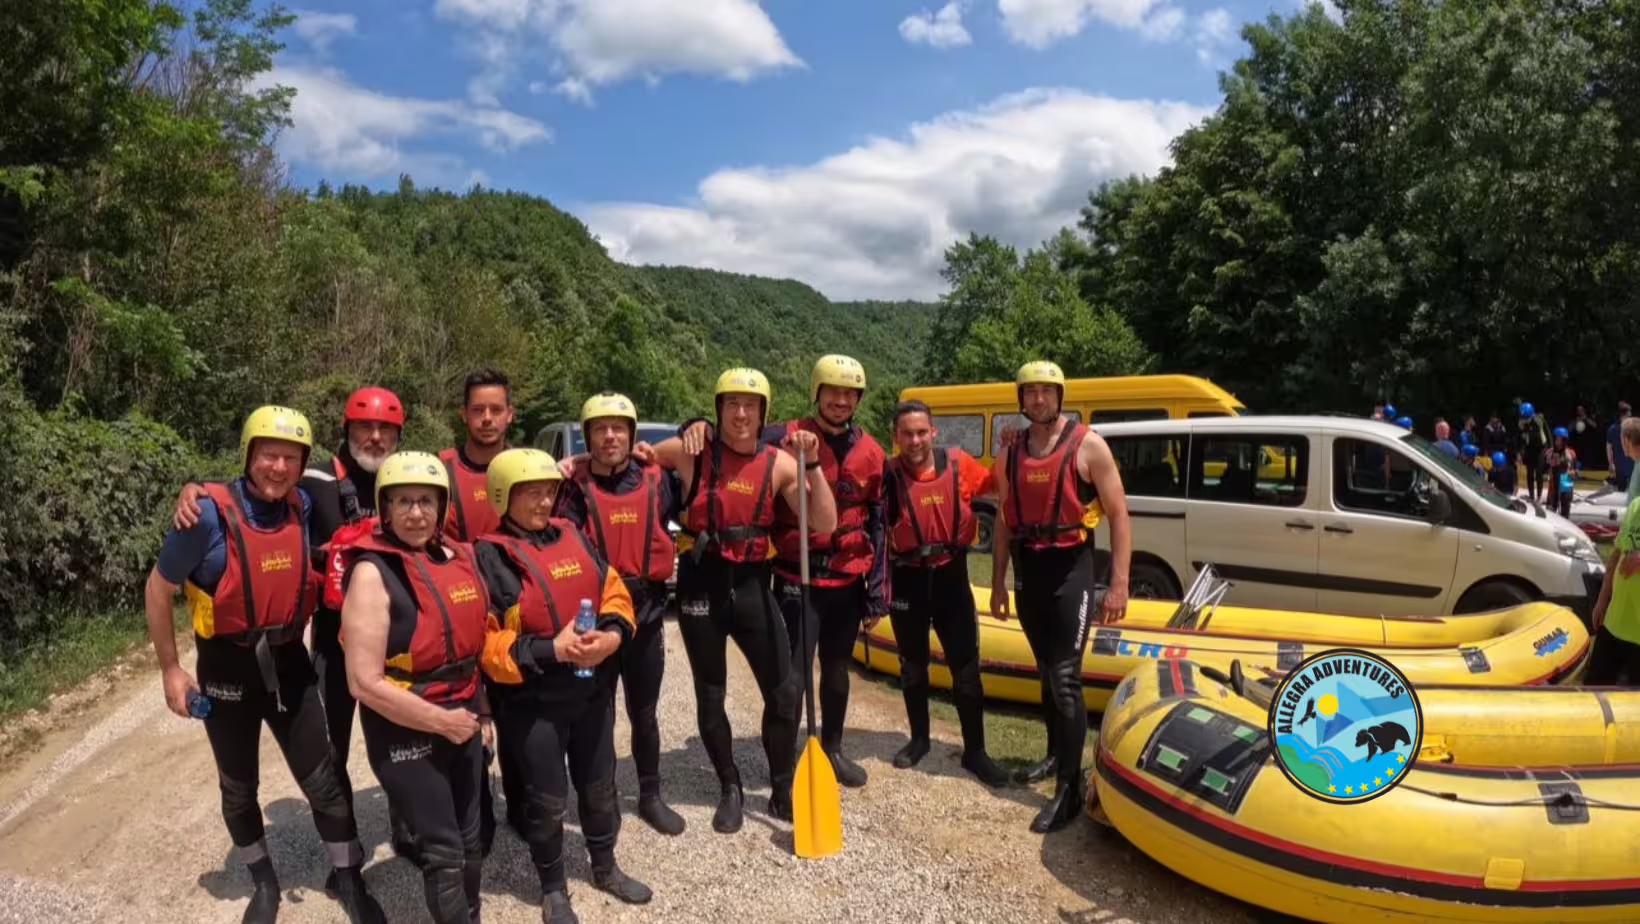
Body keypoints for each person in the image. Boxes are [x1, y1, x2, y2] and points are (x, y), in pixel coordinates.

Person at [143, 406, 386, 924]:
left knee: (323, 779)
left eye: (290, 458)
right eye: (268, 455)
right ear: (248, 455)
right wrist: (170, 671)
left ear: (302, 465)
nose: (278, 467)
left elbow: (368, 490)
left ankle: (348, 877)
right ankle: (264, 883)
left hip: (289, 661)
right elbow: (158, 591)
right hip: (226, 669)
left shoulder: (301, 503)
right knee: (238, 785)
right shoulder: (207, 512)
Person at [169, 388, 419, 867]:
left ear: (398, 435)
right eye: (365, 427)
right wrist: (194, 488)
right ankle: (348, 854)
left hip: (394, 641)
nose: (374, 436)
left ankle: (406, 827)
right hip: (332, 640)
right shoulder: (315, 482)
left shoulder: (401, 480)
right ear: (346, 431)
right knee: (332, 751)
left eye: (385, 429)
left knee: (400, 736)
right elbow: (253, 488)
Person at [679, 355, 887, 788]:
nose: (841, 401)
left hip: (847, 577)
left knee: (835, 670)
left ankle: (831, 748)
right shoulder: (782, 435)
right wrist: (695, 423)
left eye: (850, 394)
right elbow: (735, 436)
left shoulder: (872, 452)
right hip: (797, 574)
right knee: (789, 678)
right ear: (817, 393)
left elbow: (878, 521)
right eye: (833, 391)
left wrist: (877, 589)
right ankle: (784, 759)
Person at [649, 368, 836, 832]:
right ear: (717, 410)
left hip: (753, 584)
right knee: (711, 694)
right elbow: (632, 458)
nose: (740, 413)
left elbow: (825, 524)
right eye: (730, 404)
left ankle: (780, 786)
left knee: (786, 691)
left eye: (750, 405)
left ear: (762, 413)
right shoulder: (693, 455)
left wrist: (812, 465)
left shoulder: (782, 464)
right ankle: (730, 785)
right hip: (701, 584)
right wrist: (688, 426)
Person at [474, 448, 652, 921]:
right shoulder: (489, 555)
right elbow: (487, 646)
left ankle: (605, 865)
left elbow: (612, 590)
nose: (542, 501)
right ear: (502, 496)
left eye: (549, 491)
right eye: (530, 493)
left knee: (598, 786)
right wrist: (553, 649)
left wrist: (612, 637)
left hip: (591, 692)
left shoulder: (574, 533)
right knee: (547, 798)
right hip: (534, 702)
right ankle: (553, 886)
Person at [340, 451, 493, 924]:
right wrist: (440, 722)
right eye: (403, 501)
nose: (415, 513)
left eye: (426, 501)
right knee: (444, 850)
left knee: (473, 838)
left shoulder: (458, 557)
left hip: (461, 716)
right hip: (405, 730)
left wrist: (481, 715)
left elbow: (475, 649)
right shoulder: (371, 573)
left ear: (442, 505)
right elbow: (363, 682)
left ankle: (468, 913)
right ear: (384, 509)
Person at [990, 361, 1132, 833]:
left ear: (1060, 395)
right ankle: (1054, 756)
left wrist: (1119, 584)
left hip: (1073, 570)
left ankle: (1070, 789)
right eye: (1029, 393)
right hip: (1030, 573)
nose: (1037, 400)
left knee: (1066, 678)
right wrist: (997, 583)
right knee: (1047, 673)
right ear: (1021, 398)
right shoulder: (1010, 451)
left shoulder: (1088, 445)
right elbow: (1006, 521)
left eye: (1046, 392)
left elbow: (1119, 515)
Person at [554, 392, 686, 835]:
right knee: (598, 713)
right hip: (598, 613)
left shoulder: (657, 478)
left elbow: (700, 466)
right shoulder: (572, 487)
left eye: (618, 428)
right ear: (587, 436)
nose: (609, 436)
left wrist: (697, 423)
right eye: (599, 428)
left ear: (631, 435)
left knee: (644, 712)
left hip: (646, 611)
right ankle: (602, 796)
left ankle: (650, 793)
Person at [881, 400, 1009, 787]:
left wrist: (1009, 447)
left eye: (922, 432)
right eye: (907, 433)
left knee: (966, 671)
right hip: (908, 580)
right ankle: (919, 739)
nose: (915, 440)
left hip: (952, 577)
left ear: (933, 432)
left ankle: (975, 751)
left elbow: (998, 483)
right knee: (913, 666)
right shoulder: (886, 475)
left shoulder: (958, 464)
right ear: (896, 437)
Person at [440, 368, 523, 842]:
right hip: (462, 609)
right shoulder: (442, 470)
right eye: (478, 410)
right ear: (464, 415)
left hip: (516, 612)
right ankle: (476, 803)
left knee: (519, 708)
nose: (487, 419)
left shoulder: (530, 464)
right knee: (469, 710)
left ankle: (521, 797)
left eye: (496, 410)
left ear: (510, 414)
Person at [1589, 416, 1640, 685]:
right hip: (1614, 623)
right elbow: (1618, 555)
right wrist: (1601, 601)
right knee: (1593, 690)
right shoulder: (1635, 507)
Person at [1544, 428, 1580, 518]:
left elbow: (1576, 470)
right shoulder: (1549, 453)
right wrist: (1546, 472)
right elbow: (1543, 469)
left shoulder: (1571, 453)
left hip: (1566, 482)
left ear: (1565, 441)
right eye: (1557, 439)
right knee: (1550, 512)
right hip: (1553, 484)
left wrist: (1574, 473)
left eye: (1561, 440)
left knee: (1565, 512)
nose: (1558, 442)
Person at [1519, 402, 1549, 504]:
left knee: (1539, 472)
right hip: (1529, 448)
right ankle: (1531, 496)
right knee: (1530, 472)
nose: (1524, 418)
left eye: (1526, 416)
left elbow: (1544, 432)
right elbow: (1522, 436)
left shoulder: (1538, 420)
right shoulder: (1522, 421)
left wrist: (1550, 448)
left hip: (1540, 447)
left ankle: (1539, 496)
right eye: (1523, 416)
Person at [1609, 402, 1634, 491]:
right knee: (1624, 490)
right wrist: (1611, 463)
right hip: (1624, 466)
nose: (1630, 415)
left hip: (1628, 464)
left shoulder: (1631, 428)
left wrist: (1611, 463)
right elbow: (1609, 447)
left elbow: (1609, 448)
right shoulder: (1614, 429)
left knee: (1627, 490)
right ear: (1625, 414)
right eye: (1629, 413)